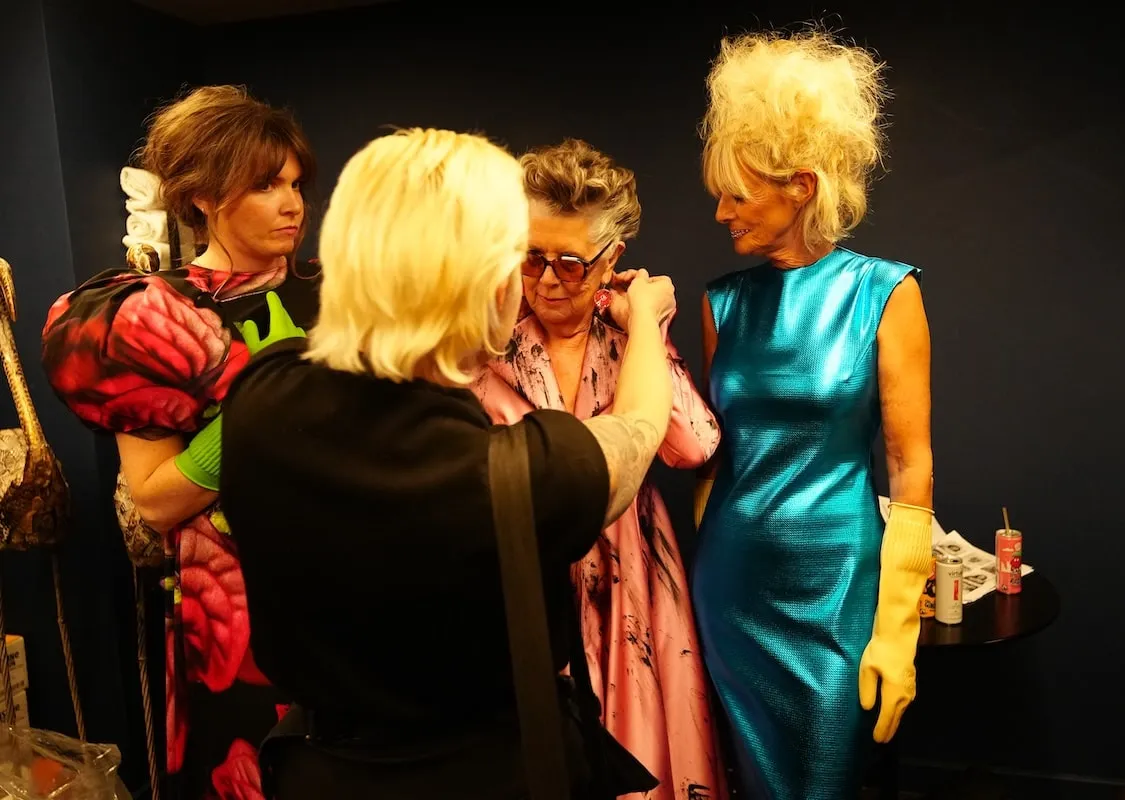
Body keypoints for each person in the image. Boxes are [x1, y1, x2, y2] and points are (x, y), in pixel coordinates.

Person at [217, 127, 680, 799]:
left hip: (317, 774)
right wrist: (646, 322)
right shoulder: (517, 476)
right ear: (489, 283)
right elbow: (638, 429)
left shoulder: (260, 395)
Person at [40, 85, 320, 798]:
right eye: (266, 185)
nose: (292, 203)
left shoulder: (347, 299)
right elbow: (158, 501)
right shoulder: (154, 319)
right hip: (235, 615)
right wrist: (262, 408)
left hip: (354, 594)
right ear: (202, 199)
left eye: (295, 183)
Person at [689, 29, 935, 800]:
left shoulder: (885, 292)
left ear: (800, 184)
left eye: (738, 192)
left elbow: (911, 466)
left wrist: (897, 628)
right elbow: (719, 457)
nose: (722, 212)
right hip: (732, 590)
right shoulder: (722, 302)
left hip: (839, 592)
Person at [471, 138, 727, 800]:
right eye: (531, 257)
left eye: (571, 263)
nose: (548, 281)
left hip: (630, 581)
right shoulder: (485, 341)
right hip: (524, 585)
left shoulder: (628, 341)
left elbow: (693, 447)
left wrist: (645, 323)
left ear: (611, 258)